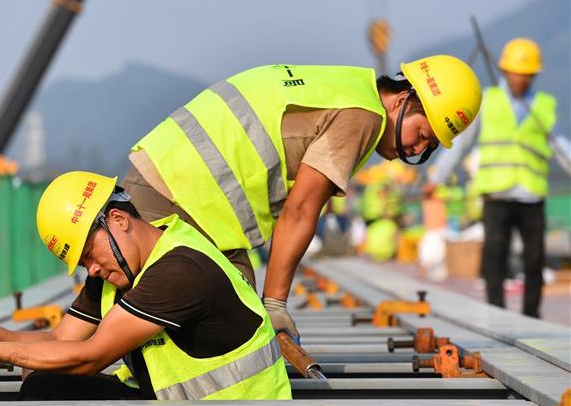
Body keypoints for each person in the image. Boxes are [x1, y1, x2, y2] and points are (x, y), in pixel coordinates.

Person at [119, 56, 482, 339]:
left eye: (427, 149)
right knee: (233, 329)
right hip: (181, 197)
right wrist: (275, 304)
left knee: (230, 320)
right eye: (421, 133)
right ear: (402, 99)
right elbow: (302, 209)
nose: (414, 148)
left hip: (174, 184)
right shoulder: (364, 116)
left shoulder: (348, 86)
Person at [0, 171, 292, 401]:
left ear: (118, 220)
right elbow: (60, 342)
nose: (92, 270)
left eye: (89, 255)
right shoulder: (113, 271)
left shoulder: (179, 269)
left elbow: (90, 357)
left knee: (50, 384)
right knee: (45, 384)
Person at [425, 39, 557, 317]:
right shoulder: (488, 100)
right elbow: (461, 144)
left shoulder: (544, 105)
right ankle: (497, 313)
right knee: (494, 255)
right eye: (515, 72)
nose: (520, 78)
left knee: (534, 260)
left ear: (534, 74)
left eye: (526, 73)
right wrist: (437, 178)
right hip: (496, 194)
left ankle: (532, 316)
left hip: (531, 193)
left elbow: (559, 144)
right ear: (505, 71)